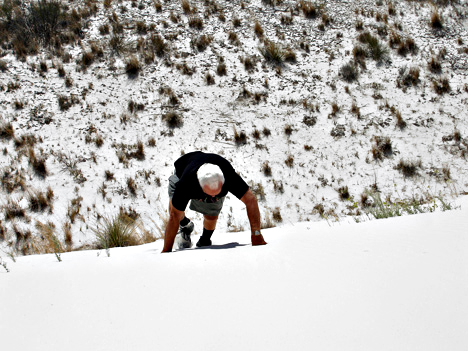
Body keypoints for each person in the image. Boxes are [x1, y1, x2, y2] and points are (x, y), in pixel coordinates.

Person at [161, 151, 267, 253]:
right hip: (183, 170)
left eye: (216, 193)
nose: (213, 196)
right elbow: (174, 216)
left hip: (206, 170)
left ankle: (205, 240)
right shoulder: (186, 184)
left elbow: (251, 200)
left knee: (211, 216)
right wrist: (166, 250)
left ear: (223, 182)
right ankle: (185, 224)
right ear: (199, 185)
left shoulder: (228, 175)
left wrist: (256, 234)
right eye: (210, 193)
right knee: (174, 212)